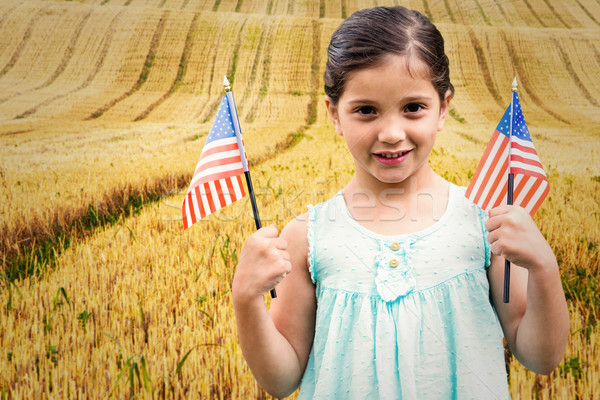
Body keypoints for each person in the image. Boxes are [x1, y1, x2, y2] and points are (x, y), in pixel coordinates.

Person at [232, 6, 569, 399]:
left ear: (443, 107)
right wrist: (246, 298)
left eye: (413, 108)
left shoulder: (487, 223)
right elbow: (282, 379)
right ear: (334, 113)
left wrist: (544, 266)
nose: (392, 133)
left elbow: (540, 357)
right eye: (366, 110)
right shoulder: (308, 237)